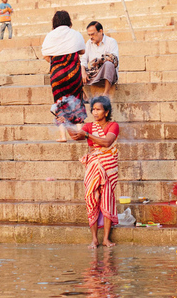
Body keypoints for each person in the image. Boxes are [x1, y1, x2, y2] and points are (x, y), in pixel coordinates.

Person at [68, 96, 120, 249]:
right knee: (91, 198)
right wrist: (65, 123)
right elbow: (76, 136)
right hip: (93, 165)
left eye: (98, 109)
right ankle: (94, 240)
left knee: (107, 198)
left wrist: (87, 135)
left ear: (106, 111)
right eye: (93, 110)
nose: (95, 112)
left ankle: (105, 239)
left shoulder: (113, 125)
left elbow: (107, 142)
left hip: (109, 165)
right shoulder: (89, 126)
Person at [42, 10, 86, 142]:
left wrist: (57, 63)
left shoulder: (50, 36)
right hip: (74, 73)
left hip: (57, 74)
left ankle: (62, 136)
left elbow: (45, 55)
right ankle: (79, 133)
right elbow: (83, 51)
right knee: (77, 100)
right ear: (69, 21)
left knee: (59, 103)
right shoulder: (75, 34)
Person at [80, 21, 119, 98]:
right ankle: (84, 96)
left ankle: (106, 92)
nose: (91, 37)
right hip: (94, 73)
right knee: (76, 67)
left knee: (108, 64)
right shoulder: (89, 43)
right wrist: (83, 71)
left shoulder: (111, 42)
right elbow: (83, 59)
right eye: (89, 35)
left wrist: (99, 61)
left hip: (108, 74)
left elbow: (114, 59)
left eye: (93, 34)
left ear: (100, 31)